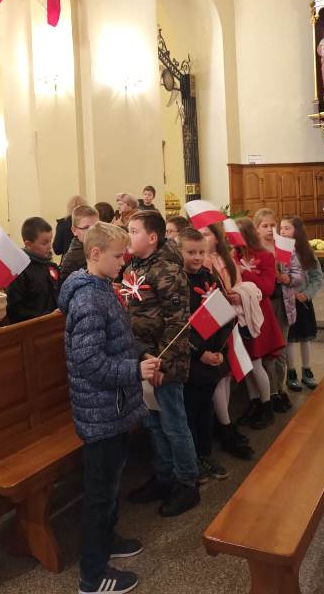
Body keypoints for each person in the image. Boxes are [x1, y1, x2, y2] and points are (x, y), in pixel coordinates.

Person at [59, 222, 160, 594]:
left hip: (113, 407)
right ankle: (92, 575)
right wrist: (134, 371)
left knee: (113, 482)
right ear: (95, 254)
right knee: (99, 493)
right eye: (118, 256)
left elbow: (119, 339)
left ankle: (108, 539)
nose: (124, 262)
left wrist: (141, 354)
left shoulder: (103, 287)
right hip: (99, 411)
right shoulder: (87, 299)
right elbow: (90, 364)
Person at [124, 210, 200, 517]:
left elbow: (178, 322)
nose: (128, 236)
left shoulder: (167, 269)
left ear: (152, 237)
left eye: (134, 231)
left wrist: (162, 363)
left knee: (173, 423)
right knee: (154, 423)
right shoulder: (134, 265)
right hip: (144, 358)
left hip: (164, 360)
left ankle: (187, 483)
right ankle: (164, 476)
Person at [199, 222, 254, 460]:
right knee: (219, 376)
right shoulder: (203, 261)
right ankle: (225, 427)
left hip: (228, 320)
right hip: (213, 323)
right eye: (199, 235)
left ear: (217, 237)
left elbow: (237, 285)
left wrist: (237, 294)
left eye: (206, 234)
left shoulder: (226, 259)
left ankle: (226, 422)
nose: (203, 238)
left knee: (227, 375)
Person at [180, 227, 230, 483]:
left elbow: (223, 316)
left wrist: (219, 351)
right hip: (191, 359)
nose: (197, 257)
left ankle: (206, 454)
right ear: (179, 251)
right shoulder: (177, 282)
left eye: (201, 252)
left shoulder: (209, 278)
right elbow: (178, 327)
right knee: (190, 411)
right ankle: (193, 460)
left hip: (211, 354)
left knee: (205, 408)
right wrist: (200, 353)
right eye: (191, 252)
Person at [234, 218, 286, 429]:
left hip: (259, 315)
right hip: (241, 315)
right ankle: (254, 403)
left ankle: (266, 406)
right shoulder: (235, 255)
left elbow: (268, 288)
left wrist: (244, 272)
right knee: (247, 363)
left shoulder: (265, 256)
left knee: (256, 362)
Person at [253, 208, 294, 413]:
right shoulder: (254, 250)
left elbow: (299, 273)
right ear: (256, 228)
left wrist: (289, 278)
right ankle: (271, 392)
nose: (270, 229)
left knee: (281, 348)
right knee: (269, 350)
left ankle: (281, 387)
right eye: (265, 226)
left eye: (272, 225)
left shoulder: (283, 246)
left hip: (283, 303)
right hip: (265, 304)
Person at [280, 215, 323, 392]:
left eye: (287, 228)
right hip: (286, 301)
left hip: (302, 302)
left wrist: (307, 294)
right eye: (281, 228)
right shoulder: (278, 251)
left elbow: (317, 278)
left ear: (297, 231)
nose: (283, 231)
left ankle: (307, 370)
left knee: (305, 338)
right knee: (289, 339)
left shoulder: (306, 252)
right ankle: (291, 373)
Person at [6, 217, 60, 322]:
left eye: (50, 241)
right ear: (28, 244)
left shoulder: (52, 266)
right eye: (44, 243)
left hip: (54, 323)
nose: (50, 246)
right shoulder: (19, 270)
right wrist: (45, 316)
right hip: (32, 327)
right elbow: (14, 309)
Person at [59, 205, 99, 287]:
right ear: (74, 231)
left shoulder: (99, 248)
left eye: (96, 227)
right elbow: (65, 289)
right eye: (86, 228)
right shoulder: (71, 259)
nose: (93, 231)